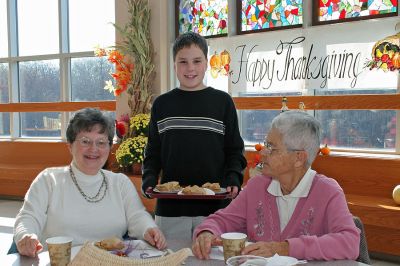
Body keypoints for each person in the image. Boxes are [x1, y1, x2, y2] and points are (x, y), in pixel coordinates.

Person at [192, 111, 360, 261]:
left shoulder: (328, 192)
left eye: (271, 147)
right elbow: (222, 220)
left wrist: (285, 248)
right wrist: (207, 232)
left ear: (299, 158)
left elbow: (350, 243)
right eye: (266, 144)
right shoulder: (257, 186)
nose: (263, 152)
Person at [13, 108, 166, 257]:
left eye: (101, 142)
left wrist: (149, 229)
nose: (94, 149)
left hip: (109, 261)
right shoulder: (49, 179)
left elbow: (137, 216)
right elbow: (28, 217)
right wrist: (25, 235)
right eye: (85, 141)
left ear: (109, 147)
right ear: (70, 145)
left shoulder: (120, 183)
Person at [142, 32, 247, 240]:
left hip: (215, 210)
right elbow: (153, 151)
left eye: (197, 61)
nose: (190, 68)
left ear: (206, 63)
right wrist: (149, 179)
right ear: (174, 65)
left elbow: (235, 150)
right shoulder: (162, 105)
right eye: (183, 62)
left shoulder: (223, 102)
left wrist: (233, 177)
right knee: (172, 260)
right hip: (170, 210)